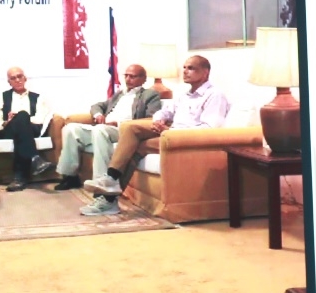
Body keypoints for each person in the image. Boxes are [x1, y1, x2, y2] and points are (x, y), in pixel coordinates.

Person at [82, 55, 230, 215]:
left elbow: (209, 129)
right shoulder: (184, 95)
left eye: (191, 68)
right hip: (169, 134)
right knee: (130, 128)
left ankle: (109, 193)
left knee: (135, 145)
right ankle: (111, 182)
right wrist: (159, 120)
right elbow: (165, 111)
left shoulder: (214, 95)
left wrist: (169, 132)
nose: (185, 71)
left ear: (205, 72)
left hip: (184, 139)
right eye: (185, 67)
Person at [54, 64, 163, 193]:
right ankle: (69, 176)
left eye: (132, 76)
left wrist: (119, 123)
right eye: (126, 76)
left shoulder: (150, 95)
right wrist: (98, 115)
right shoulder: (120, 94)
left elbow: (150, 119)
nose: (128, 79)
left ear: (143, 79)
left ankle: (101, 180)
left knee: (100, 130)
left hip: (124, 130)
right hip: (105, 127)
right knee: (71, 128)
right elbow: (97, 106)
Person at [0, 66, 54, 192]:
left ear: (25, 78)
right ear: (9, 82)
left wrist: (21, 118)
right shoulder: (2, 97)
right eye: (13, 78)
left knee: (22, 117)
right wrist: (8, 121)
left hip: (31, 129)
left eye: (19, 76)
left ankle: (19, 178)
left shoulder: (38, 97)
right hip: (8, 130)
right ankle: (35, 159)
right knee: (21, 120)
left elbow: (39, 119)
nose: (17, 80)